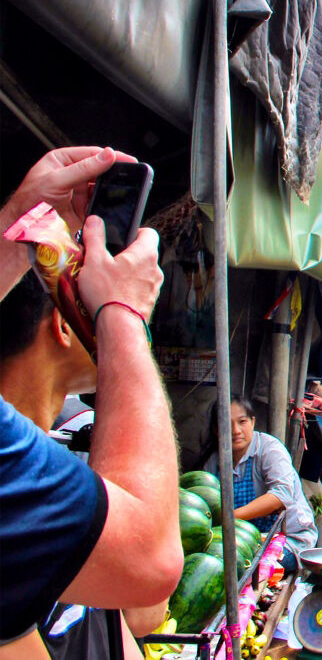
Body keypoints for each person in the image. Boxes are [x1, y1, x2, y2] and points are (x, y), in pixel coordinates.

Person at [0, 147, 182, 657]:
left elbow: (136, 616)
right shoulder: (23, 480)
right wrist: (122, 314)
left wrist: (18, 222)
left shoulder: (46, 471)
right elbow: (150, 567)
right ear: (62, 323)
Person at [0, 274, 167, 659]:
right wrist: (124, 327)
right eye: (91, 305)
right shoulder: (18, 497)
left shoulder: (60, 475)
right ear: (62, 324)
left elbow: (143, 613)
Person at [203, 399, 318, 571]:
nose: (236, 431)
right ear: (216, 430)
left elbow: (281, 495)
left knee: (240, 568)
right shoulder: (214, 462)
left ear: (253, 422)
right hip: (243, 541)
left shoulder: (269, 449)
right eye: (227, 424)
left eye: (242, 422)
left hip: (288, 541)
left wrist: (230, 518)